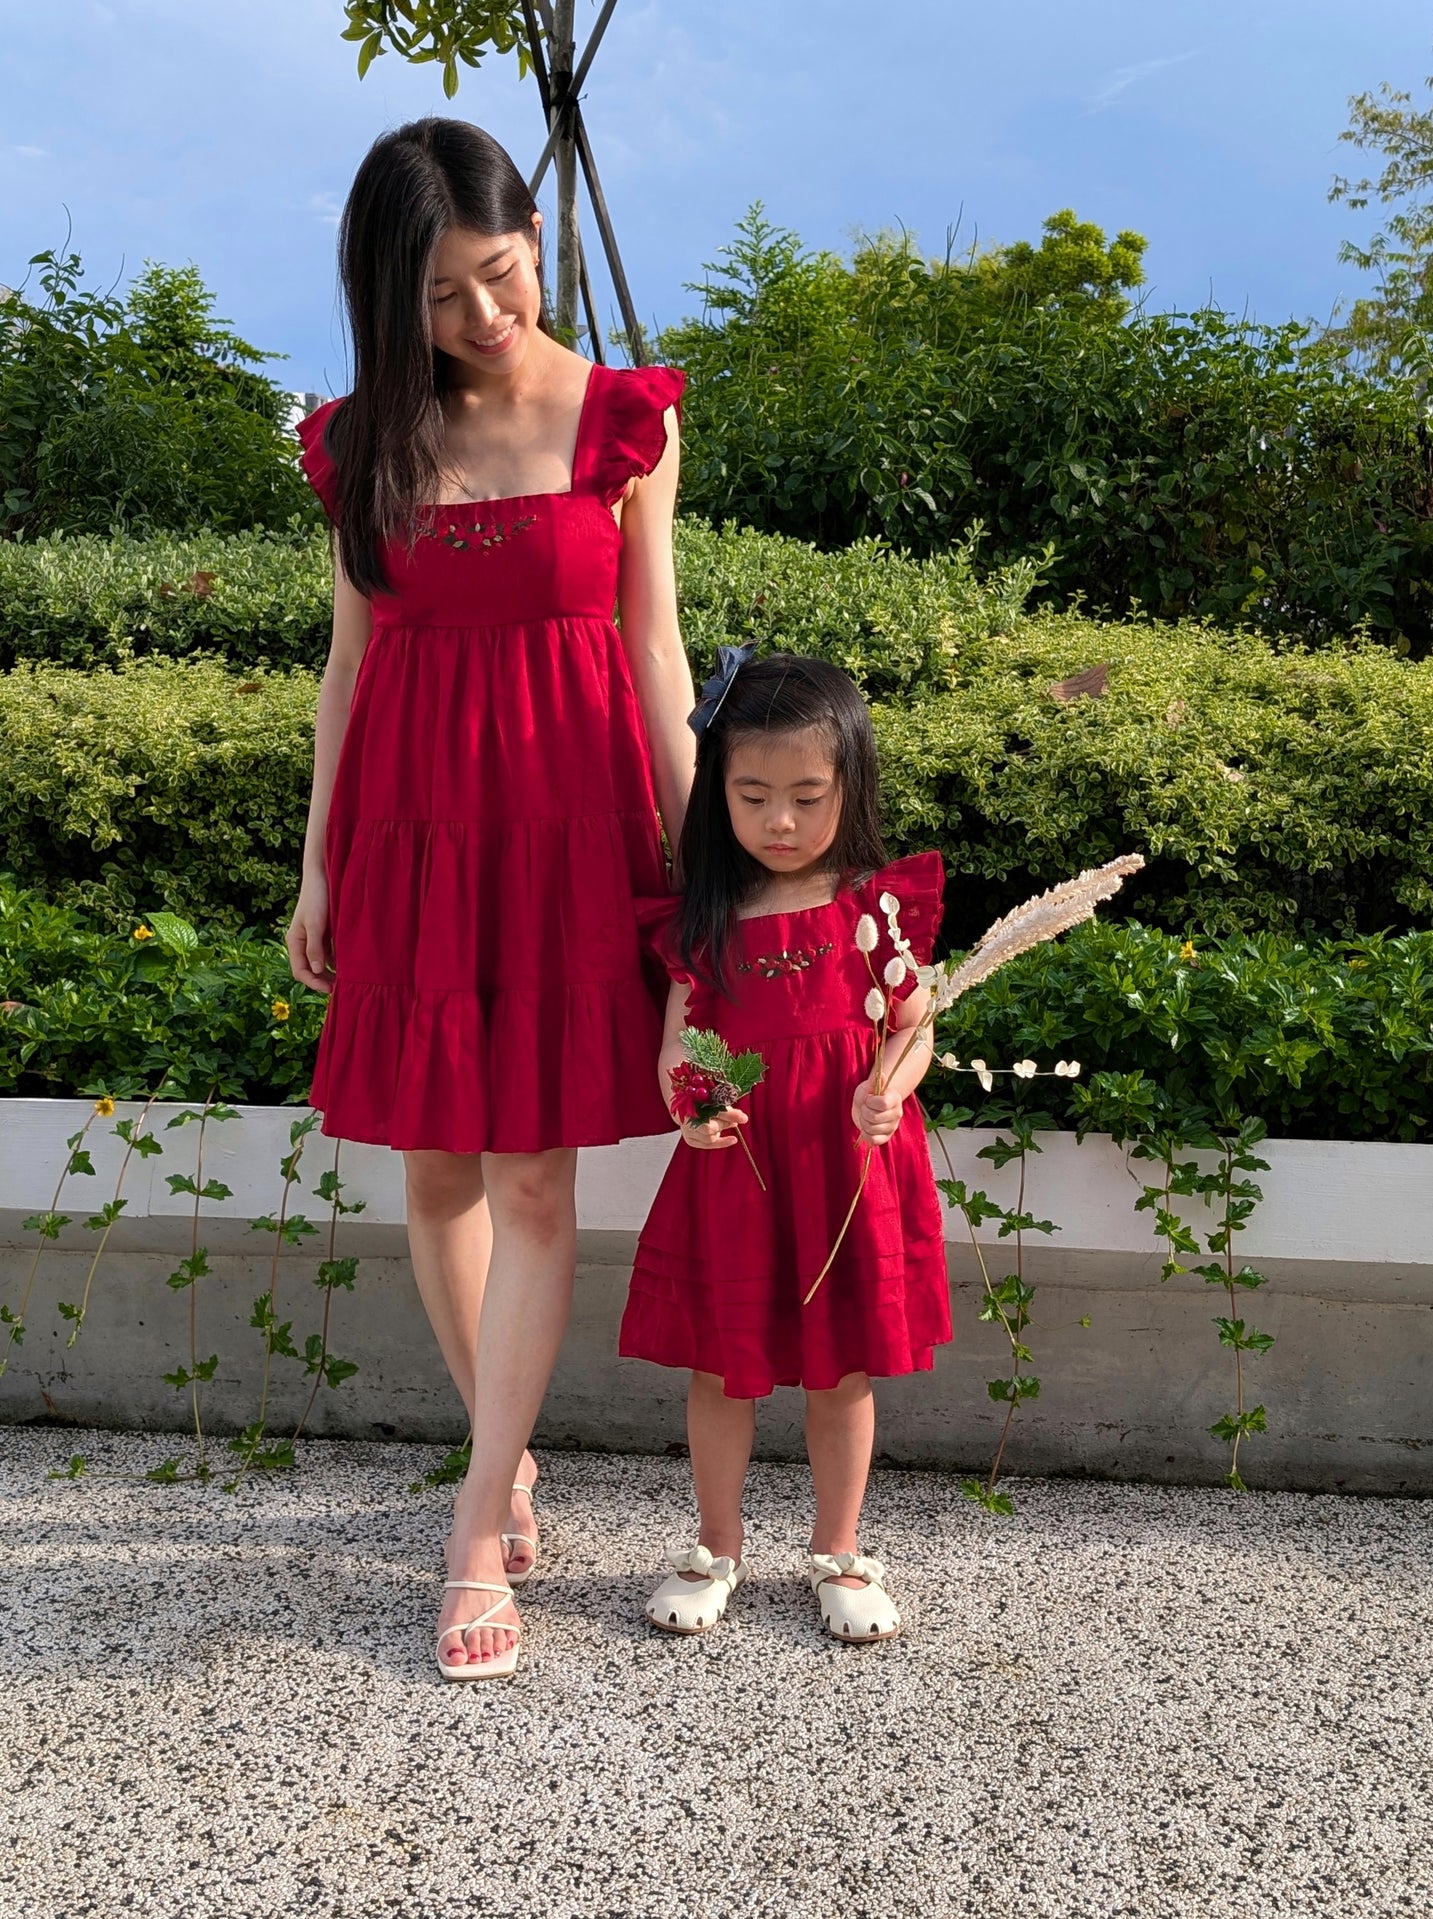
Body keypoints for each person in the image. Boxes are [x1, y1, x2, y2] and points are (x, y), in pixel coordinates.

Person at [286, 118, 695, 1681]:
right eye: (445, 295)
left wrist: (692, 883)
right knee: (439, 1166)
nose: (483, 317)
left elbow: (657, 654)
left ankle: (473, 1519)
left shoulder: (621, 420)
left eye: (502, 275)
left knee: (534, 1177)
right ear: (393, 297)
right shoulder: (361, 437)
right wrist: (319, 860)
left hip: (570, 833)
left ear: (536, 241)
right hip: (411, 835)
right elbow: (349, 664)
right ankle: (501, 1447)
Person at [620, 652, 951, 1643]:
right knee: (722, 1365)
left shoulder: (871, 908)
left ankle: (838, 1547)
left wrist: (886, 1089)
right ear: (716, 792)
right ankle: (714, 1543)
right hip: (740, 1170)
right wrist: (691, 1103)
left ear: (848, 787)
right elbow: (677, 1037)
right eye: (751, 794)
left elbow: (912, 1022)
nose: (779, 820)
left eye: (806, 796)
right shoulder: (707, 919)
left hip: (844, 1167)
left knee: (839, 1368)